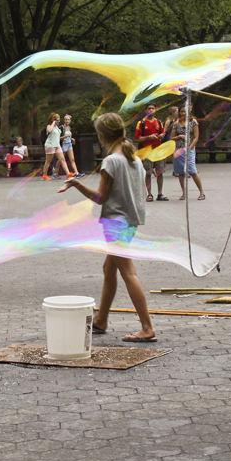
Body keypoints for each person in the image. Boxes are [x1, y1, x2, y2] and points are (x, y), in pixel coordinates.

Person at [59, 112, 155, 343]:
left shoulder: (112, 161)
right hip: (130, 221)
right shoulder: (135, 159)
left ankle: (147, 327)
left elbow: (100, 198)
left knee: (128, 272)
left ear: (102, 136)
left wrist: (76, 184)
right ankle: (101, 319)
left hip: (116, 222)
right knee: (109, 268)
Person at [168, 105, 205, 200]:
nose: (184, 113)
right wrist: (180, 136)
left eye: (185, 111)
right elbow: (172, 138)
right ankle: (184, 193)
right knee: (181, 172)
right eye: (182, 111)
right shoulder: (176, 123)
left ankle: (201, 192)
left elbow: (196, 137)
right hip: (178, 150)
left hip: (189, 149)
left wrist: (189, 148)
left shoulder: (193, 122)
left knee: (193, 171)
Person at [134, 104, 167, 201]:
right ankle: (149, 194)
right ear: (146, 110)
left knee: (160, 172)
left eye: (153, 108)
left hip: (158, 150)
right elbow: (137, 138)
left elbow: (163, 133)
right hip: (147, 151)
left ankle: (160, 193)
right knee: (148, 173)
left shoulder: (159, 122)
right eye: (149, 108)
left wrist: (161, 136)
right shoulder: (141, 123)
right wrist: (149, 137)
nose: (151, 110)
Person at [39, 112, 71, 181]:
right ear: (54, 120)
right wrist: (53, 123)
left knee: (62, 159)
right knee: (48, 161)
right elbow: (49, 130)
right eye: (58, 120)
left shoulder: (57, 127)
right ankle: (44, 175)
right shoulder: (49, 126)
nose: (59, 122)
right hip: (50, 145)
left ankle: (68, 174)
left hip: (57, 145)